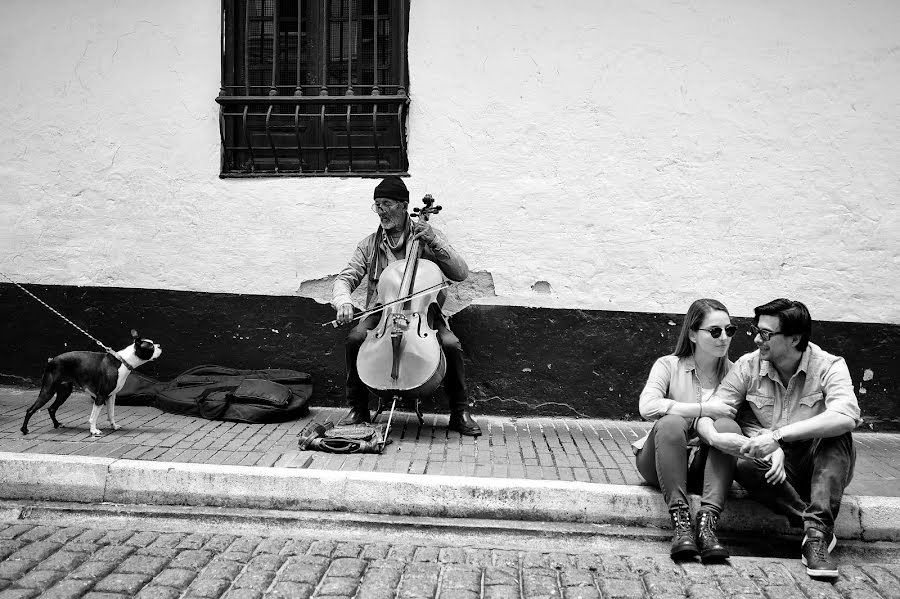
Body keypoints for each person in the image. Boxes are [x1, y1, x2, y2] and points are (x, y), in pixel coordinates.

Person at [713, 299, 861, 579]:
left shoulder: (829, 365)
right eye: (757, 331)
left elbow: (846, 414)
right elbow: (720, 410)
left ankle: (816, 537)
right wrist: (767, 442)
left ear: (795, 338)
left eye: (766, 334)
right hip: (778, 470)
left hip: (824, 464)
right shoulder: (748, 366)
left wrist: (779, 437)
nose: (758, 339)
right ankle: (814, 529)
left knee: (837, 434)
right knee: (743, 463)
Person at [331, 176, 481, 436]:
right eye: (377, 205)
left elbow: (461, 273)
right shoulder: (370, 244)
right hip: (384, 314)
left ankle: (459, 412)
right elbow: (346, 278)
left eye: (386, 204)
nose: (381, 211)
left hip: (424, 317)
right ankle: (357, 408)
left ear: (403, 205)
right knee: (355, 337)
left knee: (451, 345)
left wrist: (435, 241)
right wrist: (343, 300)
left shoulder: (427, 236)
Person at [634, 298, 746, 562]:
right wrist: (700, 409)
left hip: (704, 467)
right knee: (671, 421)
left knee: (729, 425)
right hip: (662, 459)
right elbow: (647, 406)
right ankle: (681, 524)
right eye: (715, 331)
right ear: (693, 334)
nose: (724, 338)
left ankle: (707, 526)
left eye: (729, 330)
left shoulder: (737, 373)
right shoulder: (669, 365)